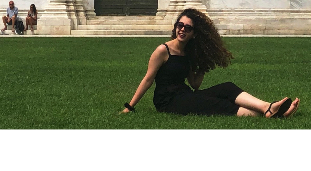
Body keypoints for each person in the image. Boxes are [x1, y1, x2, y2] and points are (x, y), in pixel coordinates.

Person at [122, 8, 300, 119]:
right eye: (180, 25)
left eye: (188, 28)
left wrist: (202, 65)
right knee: (219, 105)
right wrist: (130, 106)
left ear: (194, 34)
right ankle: (271, 111)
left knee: (227, 88)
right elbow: (148, 80)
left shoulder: (188, 53)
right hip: (167, 102)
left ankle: (268, 108)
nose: (182, 29)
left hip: (185, 95)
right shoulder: (163, 50)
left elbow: (194, 84)